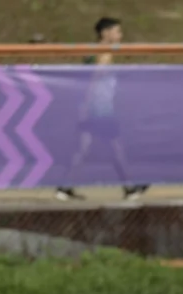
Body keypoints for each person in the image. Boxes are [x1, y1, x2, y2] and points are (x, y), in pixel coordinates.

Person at [55, 17, 149, 202]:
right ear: (105, 33)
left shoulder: (94, 51)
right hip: (99, 109)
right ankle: (130, 188)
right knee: (115, 148)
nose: (120, 36)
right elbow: (94, 80)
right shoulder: (104, 53)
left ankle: (64, 188)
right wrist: (87, 104)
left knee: (86, 148)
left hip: (96, 107)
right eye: (117, 31)